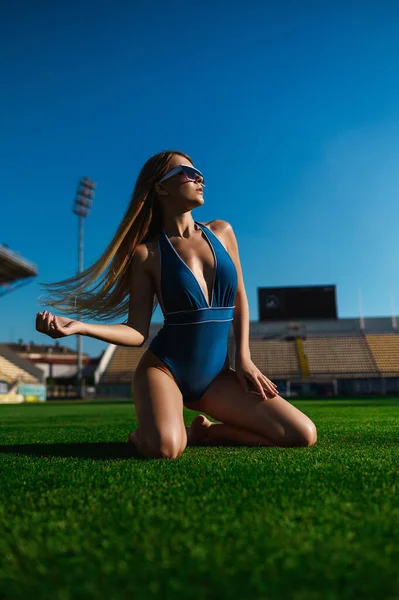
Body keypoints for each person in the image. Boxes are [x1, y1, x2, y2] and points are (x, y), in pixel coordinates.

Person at [36, 150, 317, 458]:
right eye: (187, 173)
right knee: (166, 448)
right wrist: (80, 327)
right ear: (161, 188)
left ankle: (206, 433)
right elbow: (137, 331)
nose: (200, 179)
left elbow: (239, 296)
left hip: (216, 379)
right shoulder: (147, 255)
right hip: (164, 370)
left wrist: (244, 357)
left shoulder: (222, 232)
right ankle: (141, 436)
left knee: (302, 434)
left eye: (200, 175)